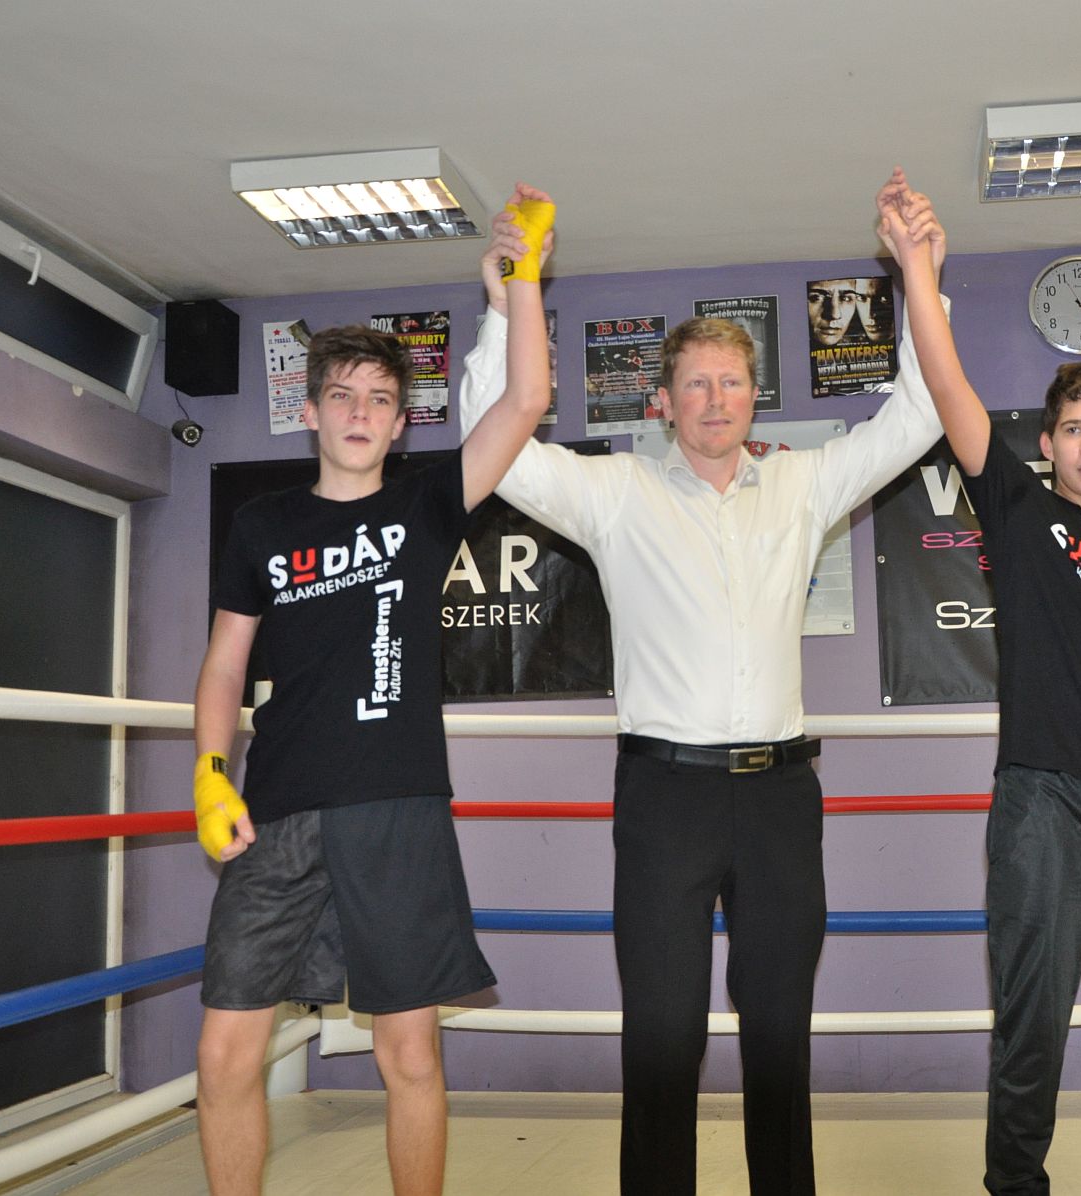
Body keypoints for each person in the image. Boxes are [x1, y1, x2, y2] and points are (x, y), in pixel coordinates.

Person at [455, 171, 943, 1196]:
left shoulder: (803, 485)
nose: (715, 400)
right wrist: (504, 303)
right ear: (663, 400)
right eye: (696, 385)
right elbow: (496, 453)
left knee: (779, 1032)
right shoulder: (616, 493)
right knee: (662, 1035)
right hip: (664, 795)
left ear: (754, 394)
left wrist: (918, 277)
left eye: (732, 382)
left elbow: (918, 416)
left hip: (779, 798)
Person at [189, 185, 556, 1196]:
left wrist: (523, 279)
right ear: (310, 412)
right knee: (223, 1055)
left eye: (380, 400)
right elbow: (224, 664)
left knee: (410, 1055)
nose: (360, 413)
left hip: (395, 808)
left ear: (400, 424)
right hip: (276, 814)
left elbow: (525, 402)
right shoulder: (262, 525)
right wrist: (211, 773)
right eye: (343, 396)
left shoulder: (425, 505)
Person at [887, 176, 1081, 1195]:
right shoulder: (1019, 511)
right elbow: (948, 384)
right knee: (1033, 1024)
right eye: (1074, 428)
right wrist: (918, 268)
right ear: (1048, 442)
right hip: (1043, 802)